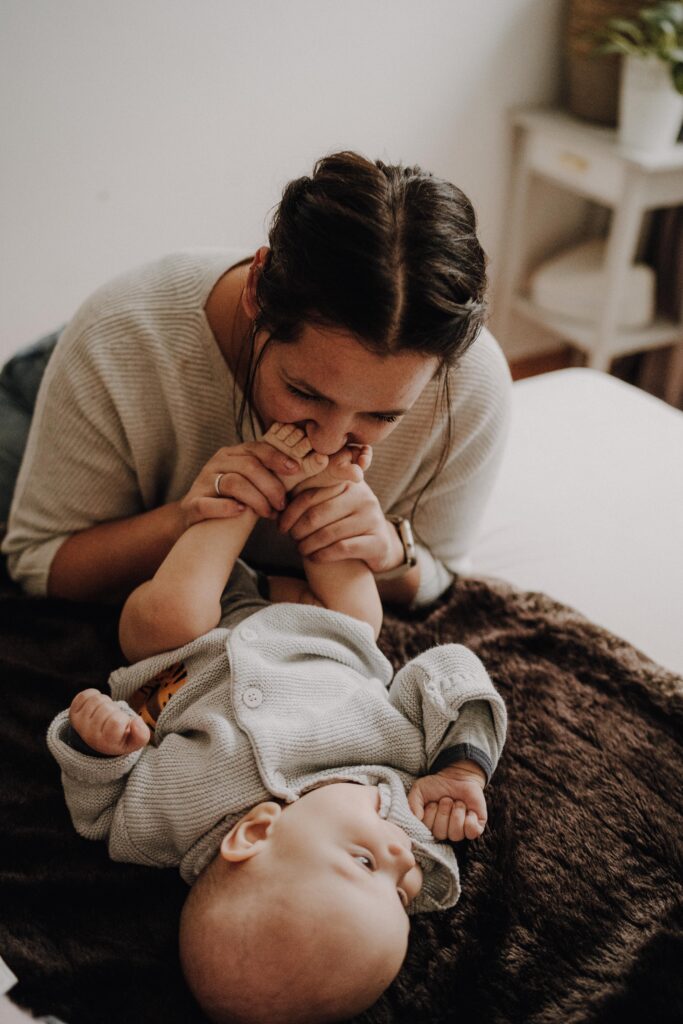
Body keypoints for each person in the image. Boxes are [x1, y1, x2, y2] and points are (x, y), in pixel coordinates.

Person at [47, 422, 507, 1024]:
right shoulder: (397, 804)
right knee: (363, 619)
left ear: (254, 834)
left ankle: (243, 492)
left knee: (163, 620)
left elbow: (97, 808)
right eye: (402, 895)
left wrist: (102, 742)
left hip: (197, 641)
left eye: (367, 865)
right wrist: (463, 767)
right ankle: (327, 486)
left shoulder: (166, 823)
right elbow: (449, 672)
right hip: (328, 629)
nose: (401, 858)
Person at [2, 150, 511, 610]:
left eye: (382, 414)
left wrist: (388, 550)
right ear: (256, 289)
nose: (327, 443)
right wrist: (187, 519)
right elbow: (38, 563)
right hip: (51, 386)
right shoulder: (117, 336)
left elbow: (442, 574)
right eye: (304, 392)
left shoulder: (470, 383)